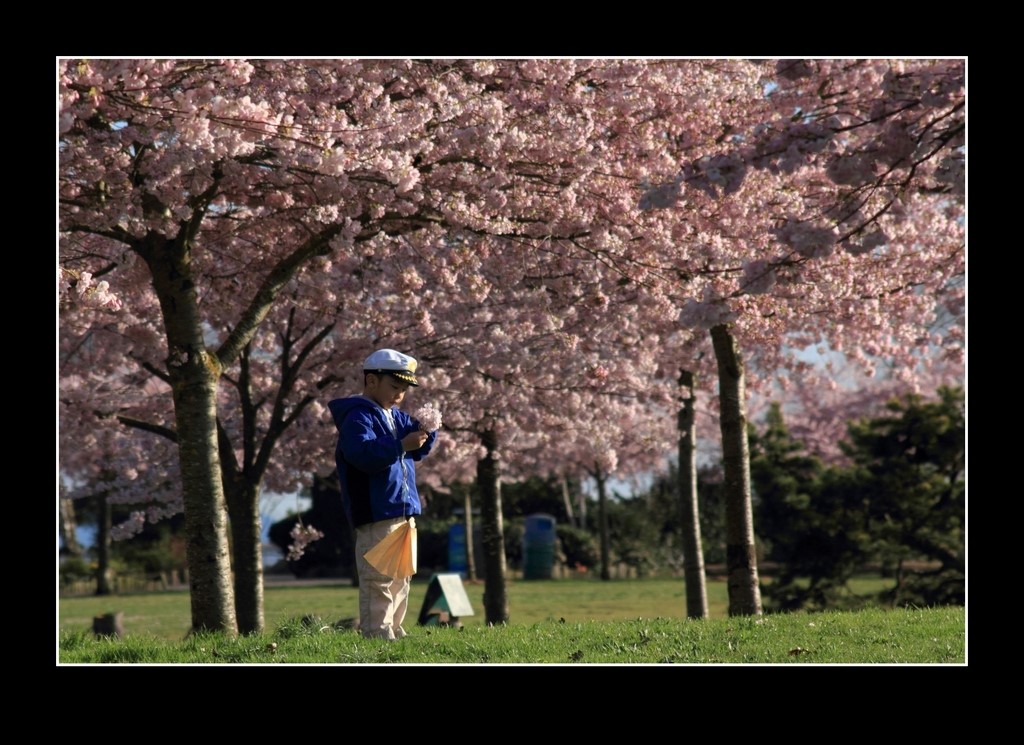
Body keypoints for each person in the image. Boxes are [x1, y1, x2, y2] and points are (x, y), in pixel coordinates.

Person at [328, 348, 437, 640]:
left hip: (403, 511)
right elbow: (361, 454)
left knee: (401, 576)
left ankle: (393, 628)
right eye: (394, 387)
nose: (399, 395)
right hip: (376, 511)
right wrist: (401, 445)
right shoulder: (357, 417)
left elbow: (419, 448)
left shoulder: (395, 417)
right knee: (379, 577)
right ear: (371, 381)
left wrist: (429, 430)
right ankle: (376, 631)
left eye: (403, 390)